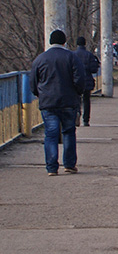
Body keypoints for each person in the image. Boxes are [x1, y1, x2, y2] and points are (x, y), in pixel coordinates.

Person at [29, 30, 85, 176]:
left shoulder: (40, 59)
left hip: (48, 103)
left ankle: (52, 168)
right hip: (68, 102)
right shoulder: (72, 57)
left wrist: (40, 94)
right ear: (64, 42)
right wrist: (77, 93)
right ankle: (69, 164)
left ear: (50, 42)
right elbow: (79, 80)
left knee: (51, 134)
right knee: (68, 132)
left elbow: (33, 83)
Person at [72, 36, 100, 127]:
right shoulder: (89, 55)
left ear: (77, 44)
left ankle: (77, 114)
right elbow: (94, 69)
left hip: (75, 81)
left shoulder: (72, 55)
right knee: (86, 100)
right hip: (87, 81)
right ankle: (86, 120)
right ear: (85, 44)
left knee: (76, 100)